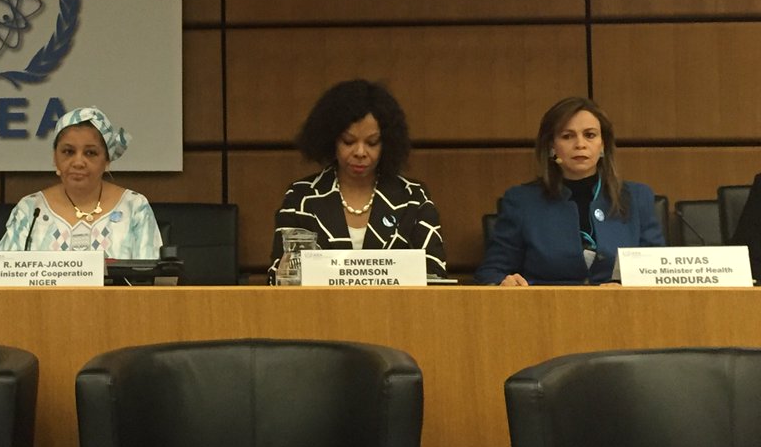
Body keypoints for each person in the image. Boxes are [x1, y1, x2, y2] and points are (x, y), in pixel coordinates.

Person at [475, 97, 664, 285]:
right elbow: (491, 272)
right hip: (546, 304)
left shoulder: (637, 197)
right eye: (567, 136)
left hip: (620, 304)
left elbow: (657, 273)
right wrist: (504, 283)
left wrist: (623, 289)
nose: (580, 144)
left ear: (603, 144)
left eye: (590, 135)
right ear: (551, 146)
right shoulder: (522, 201)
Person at [272, 80, 447, 277]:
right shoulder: (301, 198)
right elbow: (279, 278)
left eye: (372, 142)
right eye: (348, 141)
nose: (360, 152)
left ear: (386, 143)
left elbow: (435, 276)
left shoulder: (413, 197)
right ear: (331, 140)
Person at [0, 107, 162, 259]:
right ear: (55, 157)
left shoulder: (134, 207)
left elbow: (150, 278)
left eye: (90, 153)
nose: (78, 162)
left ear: (107, 160)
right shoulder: (31, 209)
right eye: (68, 152)